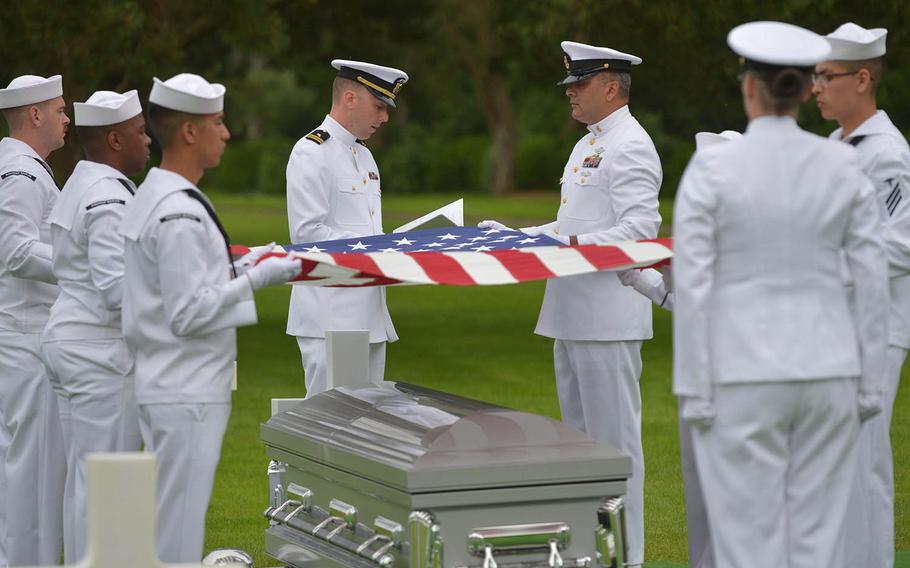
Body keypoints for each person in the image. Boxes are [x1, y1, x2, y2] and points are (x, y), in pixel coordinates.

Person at [673, 21, 889, 567]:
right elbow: (869, 275)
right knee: (819, 543)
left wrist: (694, 389)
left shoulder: (714, 164)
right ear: (801, 91)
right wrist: (868, 383)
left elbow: (695, 281)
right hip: (829, 371)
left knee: (747, 543)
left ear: (751, 87)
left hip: (742, 373)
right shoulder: (841, 162)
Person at [480, 40, 661, 566]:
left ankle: (625, 557)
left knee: (614, 447)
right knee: (580, 451)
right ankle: (589, 552)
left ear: (611, 87)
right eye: (569, 86)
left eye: (578, 85)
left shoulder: (630, 143)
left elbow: (639, 232)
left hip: (608, 314)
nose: (570, 95)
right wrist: (519, 235)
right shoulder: (587, 143)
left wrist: (568, 247)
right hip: (572, 312)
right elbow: (572, 226)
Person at [119, 73, 300, 562]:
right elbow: (187, 312)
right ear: (189, 132)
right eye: (217, 122)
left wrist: (242, 264)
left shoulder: (163, 195)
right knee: (176, 529)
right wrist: (258, 280)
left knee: (172, 519)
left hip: (171, 382)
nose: (227, 132)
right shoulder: (176, 209)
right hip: (185, 388)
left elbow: (183, 284)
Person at [619, 129, 739, 568]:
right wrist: (647, 279)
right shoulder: (703, 227)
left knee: (736, 491)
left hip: (739, 374)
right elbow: (683, 303)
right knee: (700, 488)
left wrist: (649, 279)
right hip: (699, 376)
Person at [813, 22, 909, 568]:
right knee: (835, 469)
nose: (817, 88)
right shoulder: (837, 145)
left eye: (828, 77)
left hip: (874, 330)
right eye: (816, 77)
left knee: (864, 467)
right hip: (837, 329)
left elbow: (902, 246)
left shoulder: (886, 154)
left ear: (864, 78)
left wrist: (824, 269)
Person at [42, 89, 149, 564]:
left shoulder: (82, 183)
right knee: (108, 484)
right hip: (99, 354)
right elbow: (116, 288)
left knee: (84, 484)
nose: (149, 141)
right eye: (140, 132)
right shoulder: (107, 196)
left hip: (75, 343)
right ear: (114, 138)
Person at [286, 60, 406, 397]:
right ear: (350, 98)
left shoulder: (365, 157)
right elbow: (308, 235)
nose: (385, 118)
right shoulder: (311, 152)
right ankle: (281, 455)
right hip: (330, 314)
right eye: (379, 106)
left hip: (369, 312)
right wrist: (378, 249)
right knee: (326, 424)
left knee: (363, 426)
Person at [0, 74, 68, 566]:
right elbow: (17, 251)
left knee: (33, 472)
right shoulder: (21, 172)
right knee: (31, 476)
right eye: (60, 110)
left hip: (29, 334)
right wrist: (83, 262)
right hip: (25, 337)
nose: (67, 119)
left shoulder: (27, 168)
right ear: (36, 115)